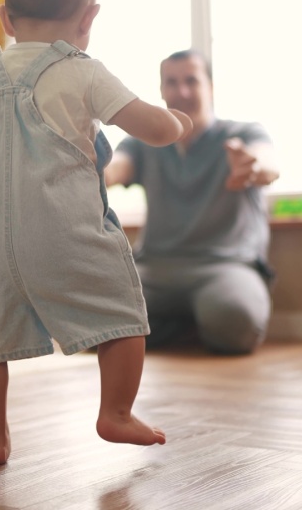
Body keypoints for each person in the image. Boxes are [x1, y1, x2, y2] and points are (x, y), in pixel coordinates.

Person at [0, 0, 193, 465]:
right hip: (66, 233)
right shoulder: (82, 70)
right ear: (89, 17)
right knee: (124, 314)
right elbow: (152, 129)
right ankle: (117, 413)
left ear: (6, 18)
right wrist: (177, 121)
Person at [105, 49, 280, 355]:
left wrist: (251, 167)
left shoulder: (244, 133)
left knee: (236, 323)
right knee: (99, 320)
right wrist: (92, 168)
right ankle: (188, 326)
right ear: (161, 90)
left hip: (225, 266)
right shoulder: (142, 143)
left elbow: (268, 165)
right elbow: (115, 168)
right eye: (171, 82)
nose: (181, 91)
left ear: (209, 87)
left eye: (191, 81)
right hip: (155, 269)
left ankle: (172, 326)